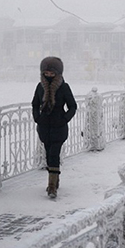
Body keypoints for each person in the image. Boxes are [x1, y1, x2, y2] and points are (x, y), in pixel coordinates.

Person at [31, 56, 77, 199]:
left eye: (52, 73)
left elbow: (72, 106)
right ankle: (55, 180)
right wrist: (37, 118)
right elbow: (35, 104)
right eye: (46, 73)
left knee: (54, 154)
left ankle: (51, 187)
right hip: (44, 127)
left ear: (58, 73)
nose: (49, 75)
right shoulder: (40, 87)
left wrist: (64, 119)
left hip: (59, 127)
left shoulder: (64, 87)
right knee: (48, 154)